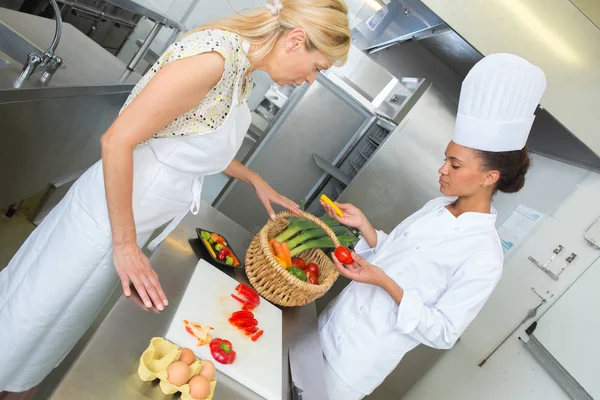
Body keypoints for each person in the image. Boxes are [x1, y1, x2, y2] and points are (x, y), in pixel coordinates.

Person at [0, 0, 351, 394]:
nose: (310, 80)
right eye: (318, 67)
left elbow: (193, 135)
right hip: (109, 217)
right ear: (296, 40)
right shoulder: (214, 60)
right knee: (32, 313)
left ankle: (17, 385)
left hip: (134, 219)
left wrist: (253, 178)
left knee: (56, 322)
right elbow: (116, 140)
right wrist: (125, 243)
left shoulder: (242, 71)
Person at [319, 53, 547, 399]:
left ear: (489, 177)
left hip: (354, 362)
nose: (442, 169)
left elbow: (443, 332)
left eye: (454, 165)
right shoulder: (437, 207)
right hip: (333, 323)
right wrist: (364, 226)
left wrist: (385, 282)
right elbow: (393, 256)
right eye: (446, 159)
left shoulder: (484, 254)